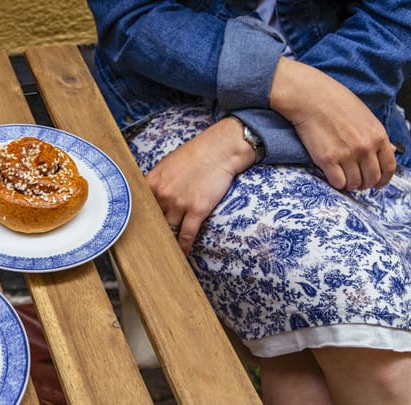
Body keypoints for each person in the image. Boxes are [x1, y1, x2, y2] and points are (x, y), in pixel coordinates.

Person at [86, 1, 411, 404]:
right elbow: (133, 18)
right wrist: (288, 84)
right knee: (382, 355)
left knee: (304, 365)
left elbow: (394, 19)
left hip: (350, 93)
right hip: (177, 106)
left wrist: (243, 137)